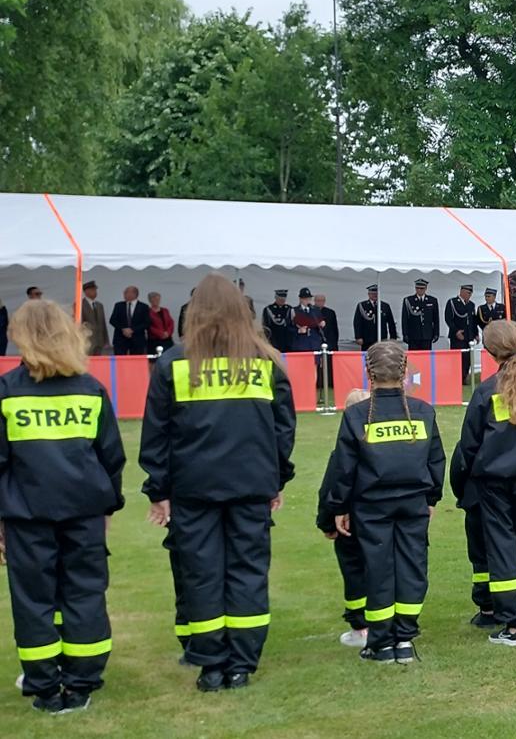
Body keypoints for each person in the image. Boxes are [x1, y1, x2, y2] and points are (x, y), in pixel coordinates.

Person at [141, 274, 296, 692]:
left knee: (201, 574)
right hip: (250, 485)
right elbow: (283, 430)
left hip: (194, 489)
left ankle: (210, 665)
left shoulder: (174, 363)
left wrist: (159, 491)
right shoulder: (265, 361)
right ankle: (242, 663)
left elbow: (156, 434)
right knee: (248, 572)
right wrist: (277, 478)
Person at [0, 300, 126, 714]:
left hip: (26, 515)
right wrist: (108, 506)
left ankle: (43, 685)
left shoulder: (7, 391)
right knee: (84, 594)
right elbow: (111, 457)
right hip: (83, 512)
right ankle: (81, 681)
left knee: (34, 600)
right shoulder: (90, 390)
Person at [321, 342, 443, 664]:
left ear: (368, 373)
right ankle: (404, 638)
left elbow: (344, 469)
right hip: (413, 504)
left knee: (378, 571)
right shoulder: (423, 411)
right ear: (405, 373)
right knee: (412, 567)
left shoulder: (357, 414)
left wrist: (338, 507)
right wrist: (431, 498)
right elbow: (436, 461)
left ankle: (381, 643)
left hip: (371, 507)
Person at [450, 320, 516, 647]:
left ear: (488, 351)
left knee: (501, 550)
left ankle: (512, 625)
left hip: (494, 483)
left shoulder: (486, 392)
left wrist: (464, 483)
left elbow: (468, 446)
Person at [316, 387, 372, 654]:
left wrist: (326, 522)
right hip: (378, 519)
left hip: (349, 523)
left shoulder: (343, 450)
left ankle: (360, 627)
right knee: (379, 569)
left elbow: (331, 488)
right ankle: (383, 620)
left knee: (354, 573)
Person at [447, 285, 479, 383]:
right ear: (462, 291)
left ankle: (464, 377)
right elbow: (448, 319)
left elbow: (474, 321)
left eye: (470, 293)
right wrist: (456, 331)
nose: (469, 295)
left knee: (467, 359)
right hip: (457, 336)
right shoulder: (452, 302)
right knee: (457, 358)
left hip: (468, 335)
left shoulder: (471, 305)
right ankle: (456, 377)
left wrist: (476, 334)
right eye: (467, 293)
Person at [109, 286, 150, 357]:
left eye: (126, 292)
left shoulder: (144, 307)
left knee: (136, 362)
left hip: (137, 339)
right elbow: (113, 320)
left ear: (135, 294)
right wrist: (123, 329)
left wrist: (132, 330)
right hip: (120, 339)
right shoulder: (118, 305)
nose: (124, 294)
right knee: (119, 362)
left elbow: (146, 323)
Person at [353, 286, 397, 350]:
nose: (375, 295)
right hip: (367, 339)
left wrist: (393, 338)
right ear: (368, 294)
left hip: (382, 339)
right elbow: (357, 322)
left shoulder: (385, 306)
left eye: (376, 293)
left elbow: (391, 323)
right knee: (367, 357)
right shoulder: (362, 305)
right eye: (372, 293)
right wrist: (358, 337)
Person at [401, 279, 440, 352]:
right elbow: (405, 319)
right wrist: (405, 334)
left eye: (421, 288)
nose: (419, 290)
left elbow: (436, 319)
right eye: (417, 288)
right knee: (414, 359)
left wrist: (436, 333)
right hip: (413, 335)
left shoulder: (432, 300)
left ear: (425, 288)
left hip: (427, 335)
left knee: (426, 358)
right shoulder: (409, 300)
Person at [261, 289, 295, 354]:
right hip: (273, 340)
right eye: (280, 299)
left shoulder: (289, 309)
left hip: (286, 342)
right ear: (276, 297)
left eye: (284, 299)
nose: (282, 300)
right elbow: (265, 326)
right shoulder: (268, 309)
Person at [290, 289, 323, 354]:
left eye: (309, 298)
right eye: (305, 299)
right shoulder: (294, 310)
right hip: (301, 343)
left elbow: (319, 324)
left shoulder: (315, 310)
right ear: (300, 299)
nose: (307, 301)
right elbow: (288, 327)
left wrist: (322, 324)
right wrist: (298, 331)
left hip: (314, 343)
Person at [79, 281, 106, 356]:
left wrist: (106, 340)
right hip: (87, 340)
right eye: (92, 290)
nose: (95, 292)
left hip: (99, 341)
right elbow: (79, 323)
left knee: (98, 362)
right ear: (86, 291)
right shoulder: (80, 304)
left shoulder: (99, 305)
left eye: (95, 290)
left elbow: (103, 324)